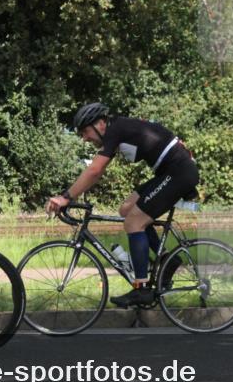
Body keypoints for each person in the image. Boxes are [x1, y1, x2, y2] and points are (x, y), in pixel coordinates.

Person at [46, 103, 198, 307]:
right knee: (126, 209)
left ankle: (141, 289)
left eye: (85, 132)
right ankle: (165, 260)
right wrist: (72, 194)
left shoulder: (115, 130)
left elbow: (94, 170)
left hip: (178, 173)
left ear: (100, 123)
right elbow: (96, 172)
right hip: (172, 172)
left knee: (134, 223)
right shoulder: (118, 129)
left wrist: (66, 197)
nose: (84, 138)